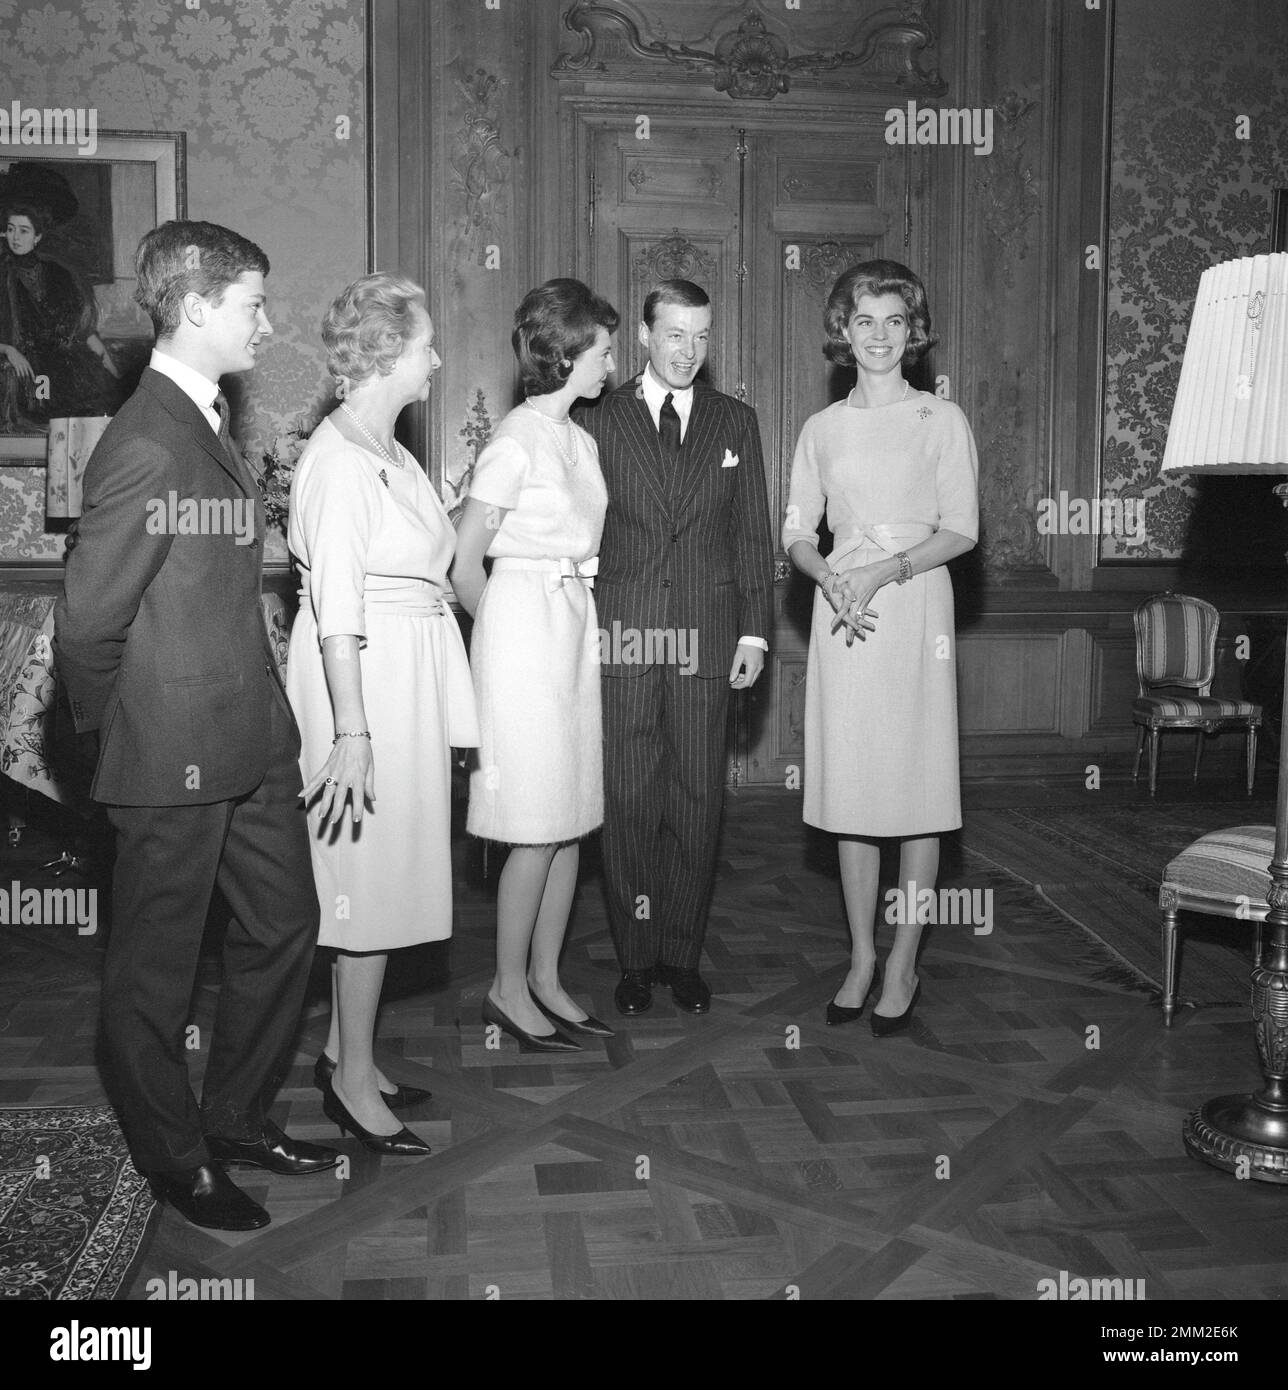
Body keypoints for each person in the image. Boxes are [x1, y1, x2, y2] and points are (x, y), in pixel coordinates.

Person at [54, 220, 337, 1232]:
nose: (266, 322)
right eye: (254, 304)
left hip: (249, 739)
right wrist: (110, 732)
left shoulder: (203, 420)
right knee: (154, 971)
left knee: (284, 923)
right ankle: (176, 1157)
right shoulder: (145, 440)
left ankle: (237, 1115)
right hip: (170, 748)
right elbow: (86, 620)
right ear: (198, 306)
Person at [287, 272, 478, 1154]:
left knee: (390, 875)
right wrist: (354, 734)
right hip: (360, 688)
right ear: (384, 352)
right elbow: (337, 613)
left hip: (406, 676)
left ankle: (342, 1050)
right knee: (364, 887)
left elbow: (433, 569)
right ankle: (353, 1082)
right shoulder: (336, 460)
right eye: (425, 343)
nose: (437, 357)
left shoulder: (391, 452)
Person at [783, 259, 979, 1036]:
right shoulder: (821, 429)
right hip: (842, 613)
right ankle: (860, 956)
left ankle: (904, 960)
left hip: (914, 604)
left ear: (913, 331)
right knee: (854, 792)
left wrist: (888, 570)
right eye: (864, 320)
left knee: (919, 790)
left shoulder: (942, 419)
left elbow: (961, 530)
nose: (878, 336)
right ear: (843, 329)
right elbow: (797, 530)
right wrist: (831, 577)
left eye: (894, 321)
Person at [579, 279, 773, 1017]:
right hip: (624, 631)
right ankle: (634, 959)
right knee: (629, 795)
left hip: (708, 635)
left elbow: (752, 536)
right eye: (674, 336)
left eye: (701, 336)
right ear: (644, 337)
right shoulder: (599, 416)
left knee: (696, 796)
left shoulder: (735, 423)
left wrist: (753, 632)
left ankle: (681, 956)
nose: (689, 352)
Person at [451, 279, 617, 1051]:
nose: (612, 361)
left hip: (571, 629)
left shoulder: (578, 439)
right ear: (569, 353)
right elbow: (463, 564)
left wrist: (560, 626)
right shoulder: (513, 440)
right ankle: (505, 986)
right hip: (524, 631)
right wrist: (510, 638)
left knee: (570, 819)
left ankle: (547, 979)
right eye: (604, 348)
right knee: (531, 829)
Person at [0, 197, 121, 430]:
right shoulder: (2, 274)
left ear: (37, 237)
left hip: (63, 362)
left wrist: (115, 377)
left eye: (24, 231)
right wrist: (9, 350)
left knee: (100, 403)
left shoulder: (57, 274)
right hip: (29, 365)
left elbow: (81, 329)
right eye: (10, 229)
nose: (15, 237)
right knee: (43, 409)